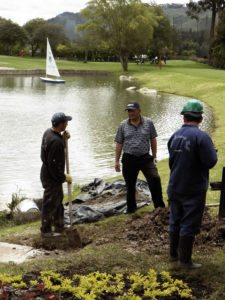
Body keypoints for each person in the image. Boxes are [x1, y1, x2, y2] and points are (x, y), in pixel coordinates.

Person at [168, 99, 217, 268]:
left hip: (174, 185)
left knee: (175, 220)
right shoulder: (202, 137)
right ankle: (185, 261)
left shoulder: (175, 135)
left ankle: (173, 255)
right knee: (189, 222)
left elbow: (173, 159)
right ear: (201, 119)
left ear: (184, 118)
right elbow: (211, 161)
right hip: (193, 189)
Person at [115, 101, 165, 213]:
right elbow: (119, 143)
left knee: (155, 178)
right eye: (128, 111)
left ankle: (159, 207)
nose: (130, 113)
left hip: (145, 158)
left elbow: (153, 139)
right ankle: (131, 210)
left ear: (139, 111)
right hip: (129, 158)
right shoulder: (123, 125)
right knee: (130, 185)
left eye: (132, 110)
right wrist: (117, 161)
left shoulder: (149, 123)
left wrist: (154, 156)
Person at [40, 112, 73, 237]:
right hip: (51, 176)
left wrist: (63, 139)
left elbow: (48, 154)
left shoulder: (48, 132)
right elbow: (53, 164)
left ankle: (59, 225)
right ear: (60, 124)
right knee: (50, 202)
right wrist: (63, 177)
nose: (67, 124)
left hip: (46, 172)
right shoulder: (55, 141)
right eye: (65, 122)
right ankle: (46, 230)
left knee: (57, 200)